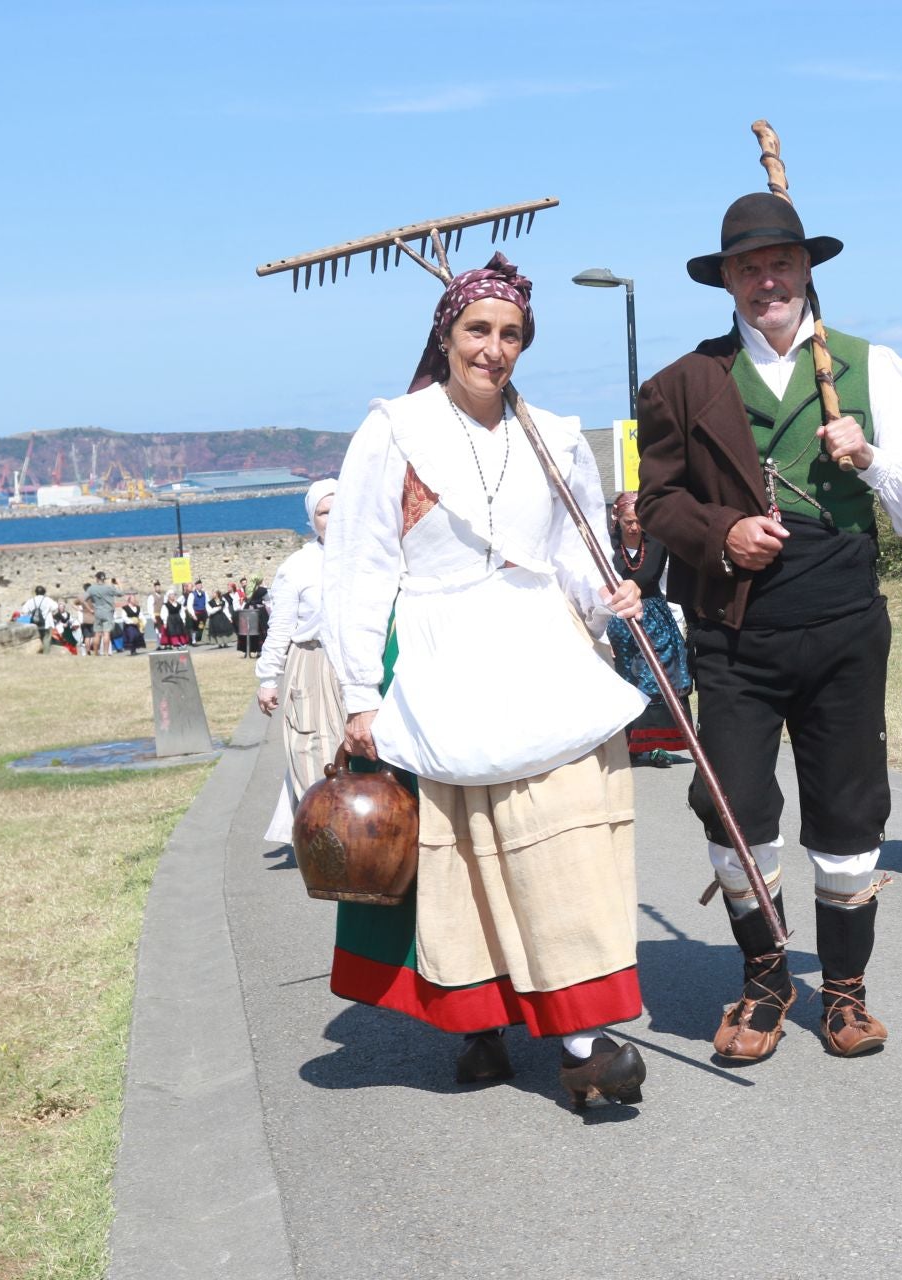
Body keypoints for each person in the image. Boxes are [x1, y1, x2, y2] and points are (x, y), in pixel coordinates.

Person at [324, 252, 651, 1109]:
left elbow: (574, 556)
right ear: (447, 333)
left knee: (564, 841)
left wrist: (608, 592)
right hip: (442, 655)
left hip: (543, 654)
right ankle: (480, 1028)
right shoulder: (393, 431)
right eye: (479, 330)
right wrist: (360, 693)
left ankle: (580, 1040)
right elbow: (360, 567)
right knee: (467, 860)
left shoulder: (556, 433)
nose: (494, 349)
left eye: (511, 334)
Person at [636, 192, 902, 1061]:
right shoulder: (681, 383)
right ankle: (767, 979)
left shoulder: (873, 369)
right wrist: (722, 535)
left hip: (845, 620)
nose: (765, 279)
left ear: (807, 269)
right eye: (748, 267)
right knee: (730, 807)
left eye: (780, 263)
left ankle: (844, 993)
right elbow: (658, 502)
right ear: (727, 280)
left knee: (851, 810)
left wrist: (871, 456)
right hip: (735, 630)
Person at [256, 480, 346, 843]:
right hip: (313, 660)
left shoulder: (371, 554)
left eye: (339, 508)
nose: (333, 518)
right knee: (315, 748)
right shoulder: (298, 566)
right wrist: (267, 678)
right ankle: (325, 834)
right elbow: (280, 628)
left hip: (356, 661)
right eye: (324, 512)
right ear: (313, 519)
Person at [605, 491, 691, 768]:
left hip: (652, 613)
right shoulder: (607, 547)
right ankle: (623, 745)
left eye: (638, 521)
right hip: (616, 616)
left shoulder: (656, 544)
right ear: (617, 520)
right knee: (623, 679)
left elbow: (661, 582)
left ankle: (656, 745)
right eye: (628, 521)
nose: (633, 527)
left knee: (659, 677)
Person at [84, 571, 121, 656]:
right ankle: (105, 653)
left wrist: (90, 609)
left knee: (97, 633)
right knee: (106, 633)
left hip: (97, 612)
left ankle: (96, 652)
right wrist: (119, 583)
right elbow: (121, 593)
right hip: (107, 612)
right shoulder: (109, 587)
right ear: (104, 579)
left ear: (96, 578)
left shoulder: (92, 588)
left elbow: (84, 599)